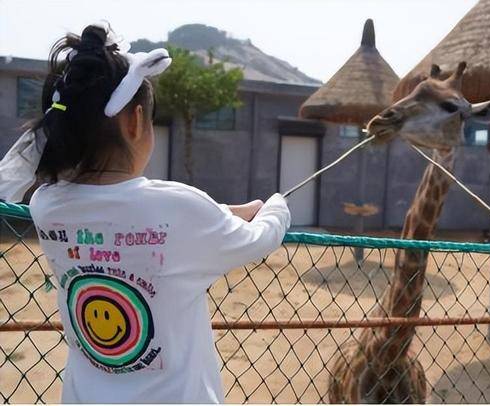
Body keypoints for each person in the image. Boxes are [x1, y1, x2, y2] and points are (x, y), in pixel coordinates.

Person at [7, 24, 291, 403]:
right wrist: (275, 207)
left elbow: (149, 219)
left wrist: (229, 212)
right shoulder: (180, 208)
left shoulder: (46, 205)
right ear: (136, 121)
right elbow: (259, 239)